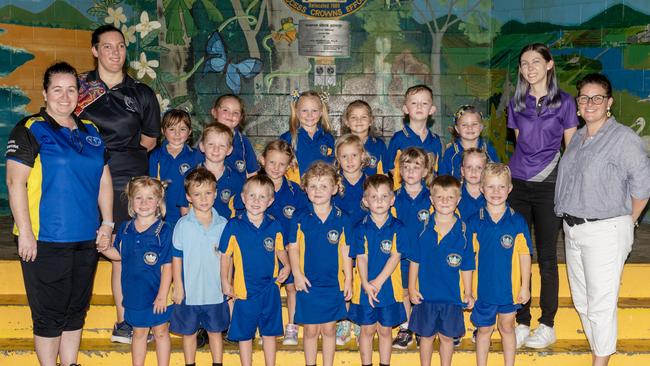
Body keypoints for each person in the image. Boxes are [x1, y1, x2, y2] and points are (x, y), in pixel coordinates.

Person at [6, 61, 113, 366]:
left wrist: (106, 223)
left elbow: (104, 180)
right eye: (57, 90)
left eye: (71, 90)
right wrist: (26, 232)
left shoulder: (91, 131)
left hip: (86, 238)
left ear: (79, 94)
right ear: (45, 92)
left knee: (76, 309)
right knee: (50, 313)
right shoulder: (31, 129)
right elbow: (15, 182)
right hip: (46, 238)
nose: (65, 97)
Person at [555, 73, 650, 366]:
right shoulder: (578, 137)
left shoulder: (623, 138)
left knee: (600, 303)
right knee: (583, 302)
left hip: (606, 230)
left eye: (597, 97)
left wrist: (627, 222)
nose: (590, 103)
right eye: (584, 97)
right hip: (573, 229)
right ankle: (599, 351)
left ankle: (601, 362)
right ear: (578, 104)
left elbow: (643, 187)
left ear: (609, 102)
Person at [76, 24, 161, 343]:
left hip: (128, 179)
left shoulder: (141, 93)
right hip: (84, 177)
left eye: (121, 46)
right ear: (95, 50)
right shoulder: (79, 88)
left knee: (124, 252)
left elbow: (151, 139)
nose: (115, 52)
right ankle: (69, 320)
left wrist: (121, 155)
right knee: (82, 249)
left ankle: (126, 321)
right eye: (108, 46)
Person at [506, 43, 578, 348]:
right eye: (524, 63)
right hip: (518, 185)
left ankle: (547, 323)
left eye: (536, 61)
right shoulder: (516, 102)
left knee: (547, 257)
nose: (530, 67)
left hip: (549, 184)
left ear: (549, 65)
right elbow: (522, 144)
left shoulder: (565, 102)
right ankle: (521, 320)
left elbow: (571, 149)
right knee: (520, 253)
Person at [98, 177, 173, 366]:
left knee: (161, 332)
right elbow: (119, 255)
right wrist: (104, 248)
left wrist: (163, 295)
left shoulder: (164, 230)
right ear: (131, 202)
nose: (144, 203)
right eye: (139, 198)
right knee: (139, 334)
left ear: (158, 202)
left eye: (150, 198)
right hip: (134, 294)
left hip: (158, 294)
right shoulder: (126, 228)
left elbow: (168, 266)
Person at [220, 175, 291, 366]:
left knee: (269, 333)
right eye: (252, 196)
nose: (256, 201)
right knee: (245, 335)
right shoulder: (234, 225)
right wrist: (225, 282)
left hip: (270, 288)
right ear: (243, 198)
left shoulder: (274, 224)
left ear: (270, 200)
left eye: (262, 197)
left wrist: (288, 264)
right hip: (245, 291)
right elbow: (225, 255)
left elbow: (280, 249)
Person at [288, 162, 353, 366]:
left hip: (333, 285)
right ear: (305, 188)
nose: (318, 191)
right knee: (310, 330)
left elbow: (346, 251)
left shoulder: (343, 218)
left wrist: (349, 281)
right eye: (313, 186)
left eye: (324, 186)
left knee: (329, 329)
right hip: (308, 284)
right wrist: (297, 274)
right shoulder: (299, 217)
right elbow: (293, 247)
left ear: (334, 188)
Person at [468, 163, 532, 366]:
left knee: (507, 327)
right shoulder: (474, 221)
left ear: (510, 189)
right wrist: (468, 289)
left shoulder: (517, 221)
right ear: (481, 189)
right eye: (490, 186)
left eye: (501, 187)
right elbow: (468, 258)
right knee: (484, 330)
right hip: (483, 289)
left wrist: (524, 286)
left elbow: (524, 254)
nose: (496, 192)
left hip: (509, 290)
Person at [408, 175, 474, 366]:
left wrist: (468, 292)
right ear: (431, 199)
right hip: (425, 296)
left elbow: (468, 264)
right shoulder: (423, 228)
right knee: (426, 337)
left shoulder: (463, 230)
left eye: (450, 197)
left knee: (447, 338)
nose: (444, 201)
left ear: (458, 200)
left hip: (451, 297)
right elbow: (415, 260)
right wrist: (412, 288)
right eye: (439, 197)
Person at [170, 168, 229, 366]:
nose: (203, 199)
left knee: (215, 331)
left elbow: (227, 258)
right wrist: (178, 285)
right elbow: (176, 257)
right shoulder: (183, 225)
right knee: (189, 333)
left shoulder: (223, 225)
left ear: (216, 193)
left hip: (215, 291)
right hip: (190, 292)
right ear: (188, 197)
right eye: (197, 194)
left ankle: (217, 363)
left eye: (208, 193)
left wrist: (227, 283)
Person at [348, 174, 407, 366]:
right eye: (373, 197)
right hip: (365, 289)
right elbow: (361, 258)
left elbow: (395, 256)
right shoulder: (360, 228)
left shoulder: (398, 227)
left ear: (392, 199)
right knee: (367, 330)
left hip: (388, 288)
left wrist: (378, 282)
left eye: (384, 196)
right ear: (365, 201)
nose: (379, 201)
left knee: (385, 330)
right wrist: (366, 283)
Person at [257, 139, 309, 346]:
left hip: (290, 250)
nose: (276, 168)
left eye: (282, 164)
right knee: (266, 289)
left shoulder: (295, 191)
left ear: (290, 166)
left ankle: (292, 326)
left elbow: (303, 222)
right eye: (272, 163)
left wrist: (293, 248)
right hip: (262, 251)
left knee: (291, 288)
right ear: (263, 160)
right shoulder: (255, 187)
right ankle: (266, 327)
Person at [390, 147, 434, 349]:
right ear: (399, 170)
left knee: (423, 291)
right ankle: (406, 327)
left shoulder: (432, 197)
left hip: (425, 257)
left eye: (416, 167)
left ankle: (423, 327)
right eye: (405, 166)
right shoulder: (393, 198)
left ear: (425, 171)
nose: (410, 171)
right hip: (401, 257)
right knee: (405, 292)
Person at [149, 109, 203, 227]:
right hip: (163, 214)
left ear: (190, 131)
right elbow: (152, 186)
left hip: (189, 213)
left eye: (182, 129)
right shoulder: (156, 156)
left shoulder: (196, 156)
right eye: (172, 129)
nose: (177, 134)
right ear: (163, 131)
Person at [386, 84, 442, 189]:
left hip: (429, 196)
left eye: (424, 103)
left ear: (432, 110)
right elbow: (389, 167)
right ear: (405, 109)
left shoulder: (435, 140)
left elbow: (438, 170)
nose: (419, 106)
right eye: (414, 103)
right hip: (403, 195)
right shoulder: (398, 138)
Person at [280, 91, 335, 183]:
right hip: (296, 193)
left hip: (322, 192)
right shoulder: (287, 138)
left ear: (321, 112)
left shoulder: (328, 138)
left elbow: (333, 167)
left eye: (314, 111)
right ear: (296, 111)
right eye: (304, 110)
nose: (310, 115)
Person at [195, 122, 244, 219]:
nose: (216, 149)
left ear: (229, 150)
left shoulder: (236, 179)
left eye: (222, 146)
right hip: (198, 230)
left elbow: (240, 212)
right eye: (211, 144)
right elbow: (185, 207)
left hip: (226, 230)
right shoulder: (192, 176)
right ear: (202, 146)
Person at [438, 105, 499, 179]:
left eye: (474, 124)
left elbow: (498, 177)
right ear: (457, 129)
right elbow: (442, 182)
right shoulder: (450, 153)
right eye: (464, 125)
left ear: (481, 127)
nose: (470, 128)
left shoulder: (490, 151)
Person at [210, 94, 259, 178]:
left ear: (240, 118)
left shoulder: (243, 142)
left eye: (236, 112)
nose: (231, 115)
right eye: (225, 110)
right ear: (214, 112)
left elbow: (252, 173)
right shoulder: (206, 139)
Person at [341, 100, 387, 176]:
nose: (359, 120)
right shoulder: (341, 145)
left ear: (370, 121)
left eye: (363, 117)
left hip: (373, 187)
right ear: (347, 122)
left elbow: (385, 173)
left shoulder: (379, 144)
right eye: (353, 117)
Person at [457, 148, 489, 220]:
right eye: (469, 167)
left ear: (486, 171)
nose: (473, 171)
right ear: (462, 171)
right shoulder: (455, 194)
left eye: (479, 167)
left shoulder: (492, 194)